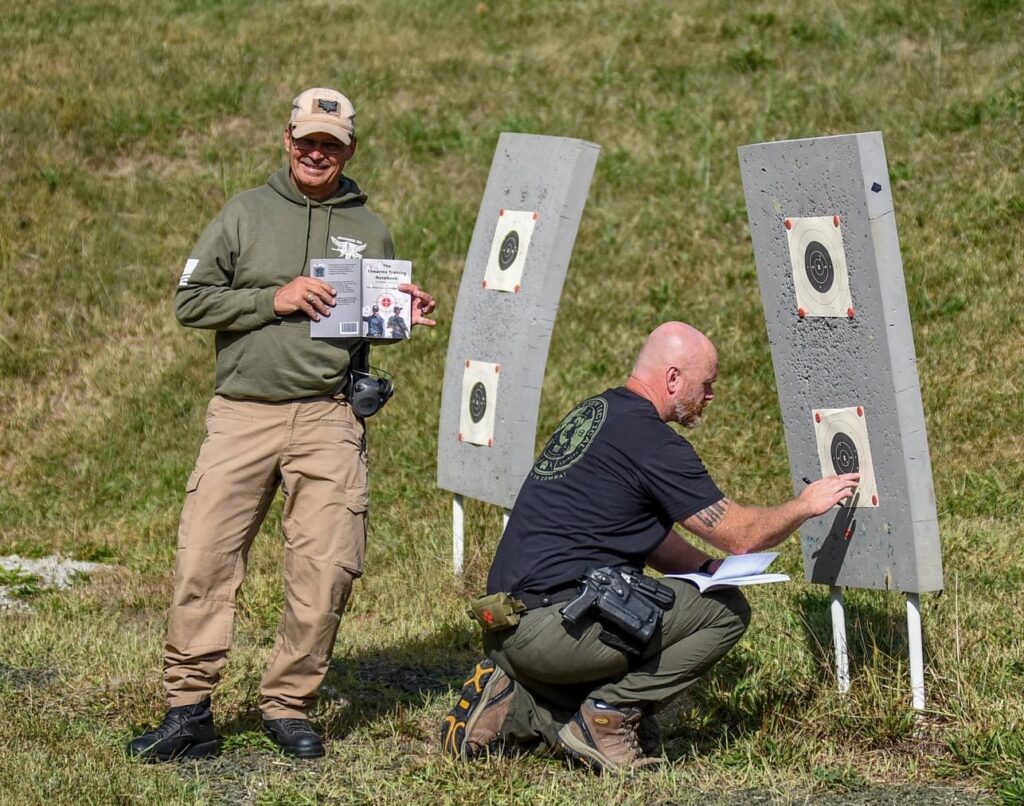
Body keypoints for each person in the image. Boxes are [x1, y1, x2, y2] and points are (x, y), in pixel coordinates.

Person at [129, 87, 436, 762]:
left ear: (350, 148)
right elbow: (191, 301)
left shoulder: (371, 226)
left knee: (325, 568)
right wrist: (276, 297)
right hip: (243, 415)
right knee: (205, 558)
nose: (315, 152)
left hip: (328, 417)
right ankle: (188, 710)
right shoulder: (244, 213)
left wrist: (398, 311)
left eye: (329, 142)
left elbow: (360, 329)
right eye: (305, 140)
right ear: (287, 140)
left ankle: (289, 705)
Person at [441, 322, 857, 772]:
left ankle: (513, 697)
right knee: (726, 611)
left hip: (506, 624)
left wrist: (704, 566)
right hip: (552, 627)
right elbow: (741, 535)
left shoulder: (597, 413)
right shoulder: (653, 443)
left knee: (644, 614)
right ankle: (605, 716)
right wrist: (804, 506)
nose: (711, 395)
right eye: (707, 383)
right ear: (673, 378)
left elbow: (637, 532)